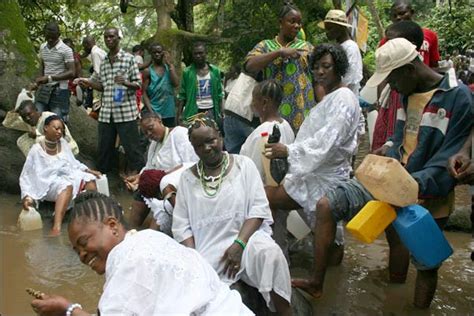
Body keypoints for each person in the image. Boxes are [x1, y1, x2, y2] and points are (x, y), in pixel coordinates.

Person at [292, 38, 473, 308]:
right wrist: (385, 151)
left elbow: (448, 160)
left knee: (427, 264)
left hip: (429, 191)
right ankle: (318, 283)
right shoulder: (404, 93)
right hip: (390, 181)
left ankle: (413, 306)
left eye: (392, 79)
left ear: (409, 70)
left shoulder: (458, 98)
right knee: (327, 204)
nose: (390, 86)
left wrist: (407, 185)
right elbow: (401, 139)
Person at [30, 191, 253, 316]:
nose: (82, 255)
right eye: (76, 251)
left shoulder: (130, 257)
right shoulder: (151, 239)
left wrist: (67, 310)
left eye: (83, 242)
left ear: (112, 226)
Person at [172, 117, 292, 315]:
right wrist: (195, 261)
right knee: (199, 296)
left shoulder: (244, 165)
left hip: (247, 240)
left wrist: (239, 244)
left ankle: (285, 312)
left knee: (272, 255)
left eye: (211, 140)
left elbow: (258, 208)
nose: (208, 148)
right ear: (193, 149)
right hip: (208, 249)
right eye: (200, 145)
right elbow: (181, 225)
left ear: (220, 136)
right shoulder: (187, 179)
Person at [264, 43, 360, 261]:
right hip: (318, 172)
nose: (320, 72)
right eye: (316, 67)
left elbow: (327, 141)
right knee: (328, 238)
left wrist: (288, 151)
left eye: (326, 66)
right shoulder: (332, 98)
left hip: (323, 178)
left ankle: (276, 256)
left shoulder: (343, 98)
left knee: (266, 196)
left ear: (339, 67)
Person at [77, 27, 145, 174]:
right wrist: (88, 83)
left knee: (133, 149)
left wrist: (125, 82)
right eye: (106, 37)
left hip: (126, 113)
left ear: (118, 38)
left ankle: (142, 181)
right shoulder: (104, 62)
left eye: (112, 37)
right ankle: (105, 180)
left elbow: (138, 85)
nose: (109, 40)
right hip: (107, 113)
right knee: (104, 149)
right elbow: (103, 86)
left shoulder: (129, 59)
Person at [20, 115, 101, 237]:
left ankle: (89, 219)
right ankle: (56, 227)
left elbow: (73, 163)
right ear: (46, 128)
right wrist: (27, 197)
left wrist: (89, 170)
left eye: (61, 130)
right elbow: (26, 176)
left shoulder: (63, 143)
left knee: (90, 181)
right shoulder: (36, 150)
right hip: (48, 183)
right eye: (56, 128)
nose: (59, 132)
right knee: (66, 186)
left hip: (67, 175)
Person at [245, 2, 314, 133]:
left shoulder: (307, 47)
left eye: (299, 23)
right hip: (275, 115)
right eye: (292, 21)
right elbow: (250, 65)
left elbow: (319, 78)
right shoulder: (265, 46)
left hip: (304, 113)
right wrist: (279, 53)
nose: (297, 26)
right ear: (280, 22)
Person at [126, 111, 198, 228]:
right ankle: (131, 231)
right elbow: (149, 167)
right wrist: (138, 178)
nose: (149, 134)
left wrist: (163, 176)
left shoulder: (179, 134)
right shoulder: (153, 145)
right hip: (158, 188)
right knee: (140, 193)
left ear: (159, 121)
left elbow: (191, 164)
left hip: (176, 188)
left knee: (158, 220)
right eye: (145, 133)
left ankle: (154, 232)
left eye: (151, 128)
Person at [371, 20, 425, 152]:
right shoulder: (401, 87)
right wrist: (388, 146)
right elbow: (399, 134)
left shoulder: (404, 88)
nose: (387, 45)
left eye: (392, 42)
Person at [240, 79, 294, 182]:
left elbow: (254, 172)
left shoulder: (262, 133)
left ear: (264, 102)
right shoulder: (286, 125)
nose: (251, 104)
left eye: (253, 100)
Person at [33, 22, 75, 122]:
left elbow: (72, 72)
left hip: (60, 90)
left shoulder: (66, 50)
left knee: (57, 122)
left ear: (59, 35)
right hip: (44, 89)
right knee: (39, 118)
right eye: (48, 37)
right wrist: (38, 82)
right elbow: (43, 65)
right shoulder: (43, 47)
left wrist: (49, 78)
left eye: (53, 37)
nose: (50, 40)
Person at [381, 0, 440, 68]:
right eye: (394, 16)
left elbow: (434, 65)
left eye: (402, 13)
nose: (398, 17)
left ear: (411, 12)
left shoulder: (430, 35)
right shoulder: (387, 42)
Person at [177, 42, 224, 125]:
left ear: (206, 53)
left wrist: (221, 110)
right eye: (195, 54)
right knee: (194, 135)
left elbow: (220, 93)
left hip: (211, 110)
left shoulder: (215, 71)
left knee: (210, 134)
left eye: (201, 53)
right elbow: (182, 95)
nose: (198, 56)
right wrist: (179, 114)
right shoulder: (187, 72)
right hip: (193, 111)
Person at [319, 9, 363, 96]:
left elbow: (350, 78)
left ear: (340, 28)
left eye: (330, 29)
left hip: (346, 100)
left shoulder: (350, 48)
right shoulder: (338, 47)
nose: (327, 33)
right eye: (326, 29)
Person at [142, 42, 179, 127]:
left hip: (169, 111)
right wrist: (151, 111)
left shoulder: (169, 68)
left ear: (163, 53)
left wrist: (170, 65)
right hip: (155, 110)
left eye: (159, 52)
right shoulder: (148, 71)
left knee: (169, 136)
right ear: (151, 54)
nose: (157, 54)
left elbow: (176, 84)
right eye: (154, 52)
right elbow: (144, 93)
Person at [81, 35, 106, 108]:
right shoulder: (99, 51)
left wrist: (88, 81)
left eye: (84, 46)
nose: (84, 49)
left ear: (87, 45)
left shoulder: (95, 53)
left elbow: (97, 72)